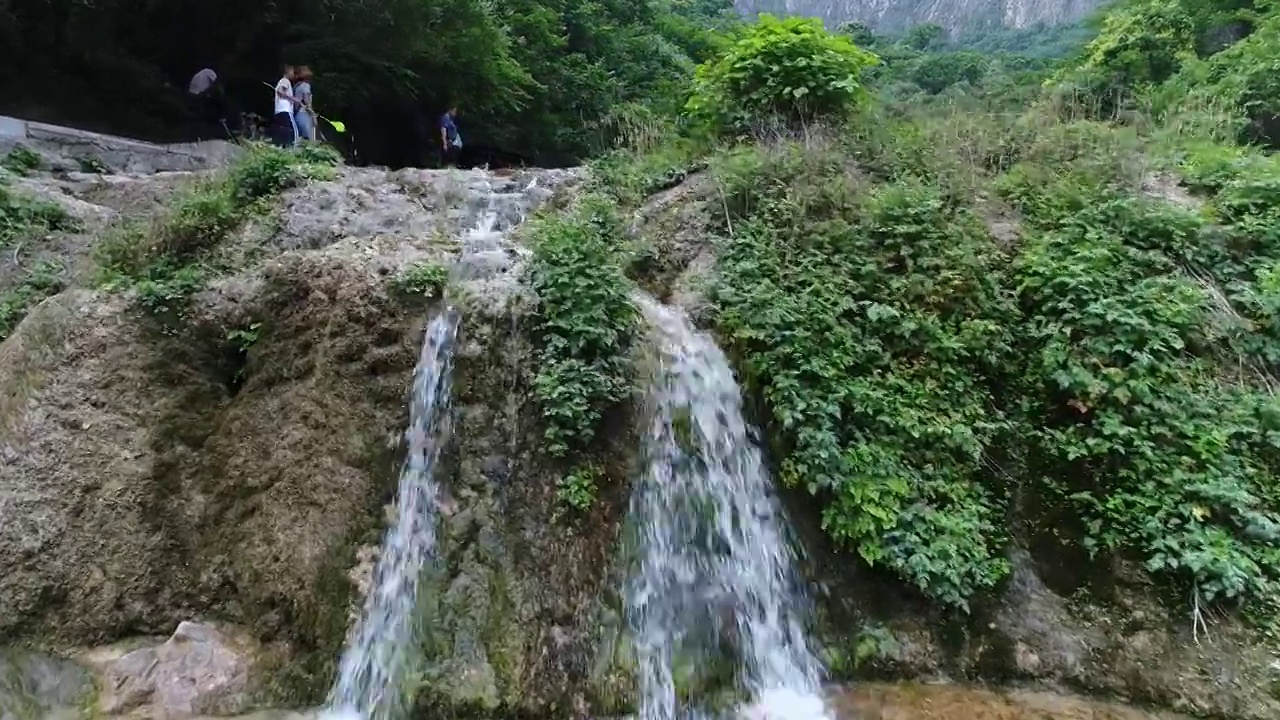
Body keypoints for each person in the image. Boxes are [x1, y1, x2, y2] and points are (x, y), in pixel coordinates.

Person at [271, 65, 298, 148]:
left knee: (282, 129)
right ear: (288, 72)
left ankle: (282, 146)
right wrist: (293, 99)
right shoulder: (285, 81)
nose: (294, 74)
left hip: (279, 110)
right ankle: (293, 147)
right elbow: (280, 91)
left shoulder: (281, 81)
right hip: (285, 109)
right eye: (293, 72)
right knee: (293, 130)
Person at [293, 66, 316, 144]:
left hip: (297, 116)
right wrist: (314, 116)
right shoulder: (306, 86)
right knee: (310, 142)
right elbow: (307, 102)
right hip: (304, 115)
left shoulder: (296, 86)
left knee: (299, 141)